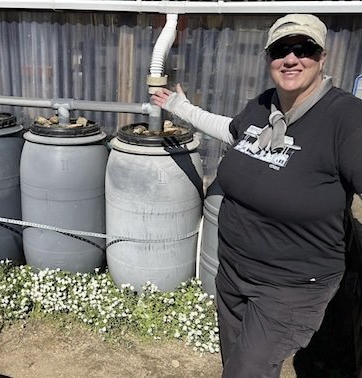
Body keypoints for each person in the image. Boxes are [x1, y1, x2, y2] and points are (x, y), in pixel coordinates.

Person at [152, 14, 362, 377]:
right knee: (234, 364)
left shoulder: (345, 118)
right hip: (233, 272)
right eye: (281, 49)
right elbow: (234, 132)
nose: (291, 58)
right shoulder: (264, 105)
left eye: (304, 48)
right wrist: (181, 108)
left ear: (322, 57)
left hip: (290, 286)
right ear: (269, 57)